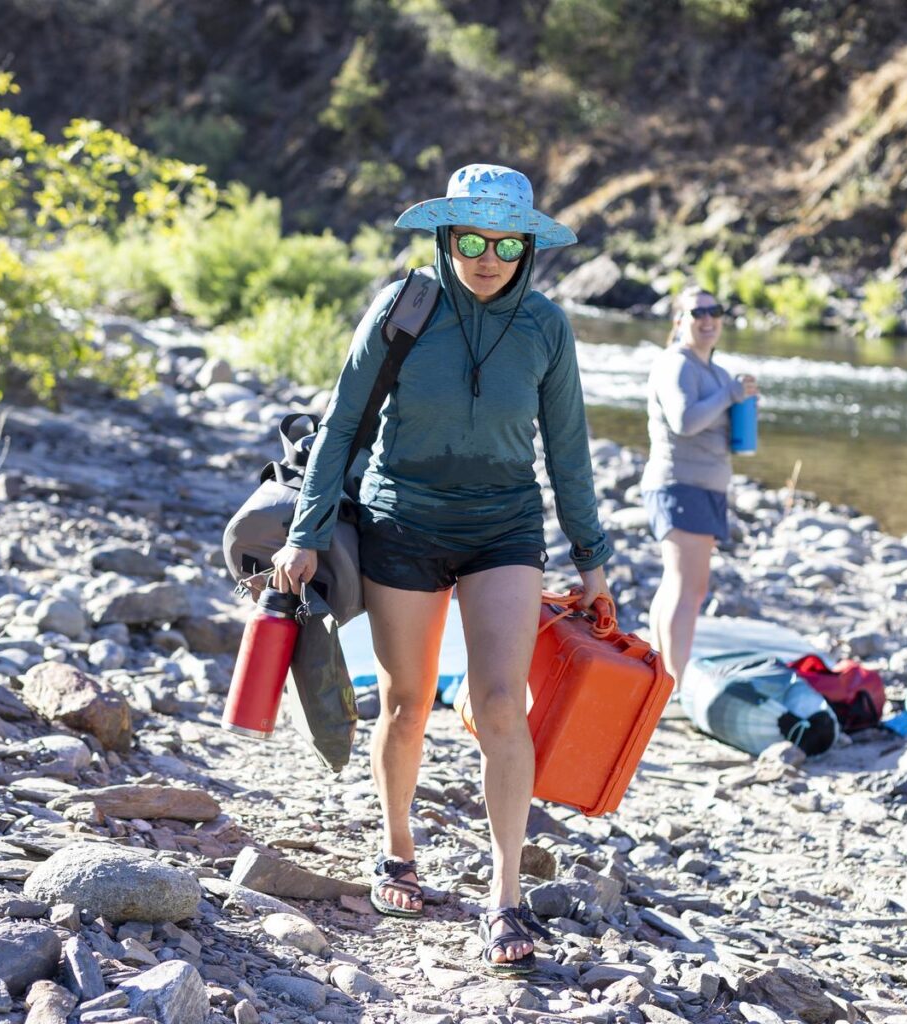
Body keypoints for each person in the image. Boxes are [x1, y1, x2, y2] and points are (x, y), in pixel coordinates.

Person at [272, 164, 612, 976]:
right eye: (471, 238)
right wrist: (305, 530)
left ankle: (504, 895)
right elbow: (344, 421)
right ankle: (398, 850)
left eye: (504, 241)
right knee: (407, 697)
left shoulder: (546, 327)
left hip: (503, 527)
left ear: (527, 246)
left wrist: (592, 557)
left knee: (500, 702)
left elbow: (568, 450)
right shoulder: (402, 309)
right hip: (403, 521)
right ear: (446, 236)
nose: (486, 256)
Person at [641, 284, 758, 685]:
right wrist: (729, 393)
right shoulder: (677, 363)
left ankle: (661, 678)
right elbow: (684, 421)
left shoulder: (716, 370)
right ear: (679, 321)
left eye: (715, 311)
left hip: (703, 488)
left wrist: (741, 402)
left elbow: (725, 432)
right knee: (688, 589)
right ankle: (672, 681)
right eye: (697, 313)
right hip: (680, 484)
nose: (708, 319)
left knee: (682, 585)